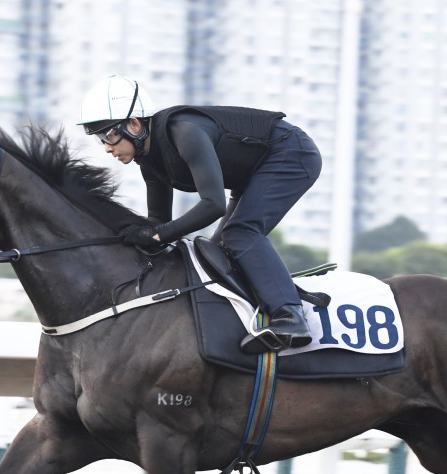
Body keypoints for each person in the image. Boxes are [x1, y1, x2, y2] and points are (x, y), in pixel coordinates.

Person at [78, 74, 322, 353]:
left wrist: (156, 235)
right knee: (217, 251)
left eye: (109, 135)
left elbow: (212, 205)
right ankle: (252, 313)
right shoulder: (148, 160)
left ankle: (290, 318)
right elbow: (158, 223)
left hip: (292, 153)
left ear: (134, 124)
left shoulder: (184, 131)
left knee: (240, 233)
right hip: (255, 172)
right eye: (100, 139)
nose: (107, 147)